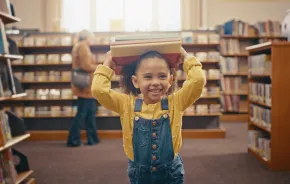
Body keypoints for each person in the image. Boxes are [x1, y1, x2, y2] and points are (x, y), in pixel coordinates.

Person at [91, 47, 206, 183]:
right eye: (147, 77)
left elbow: (198, 80)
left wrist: (186, 57)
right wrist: (107, 65)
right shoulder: (126, 104)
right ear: (135, 81)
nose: (156, 82)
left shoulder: (176, 102)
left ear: (170, 80)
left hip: (170, 173)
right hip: (140, 175)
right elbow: (98, 90)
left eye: (162, 76)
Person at [67, 30, 100, 147]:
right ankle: (73, 139)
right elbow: (86, 66)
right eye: (92, 37)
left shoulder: (78, 46)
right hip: (86, 86)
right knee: (82, 113)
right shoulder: (83, 47)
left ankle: (93, 138)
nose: (93, 40)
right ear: (87, 37)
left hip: (85, 86)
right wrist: (100, 67)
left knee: (89, 113)